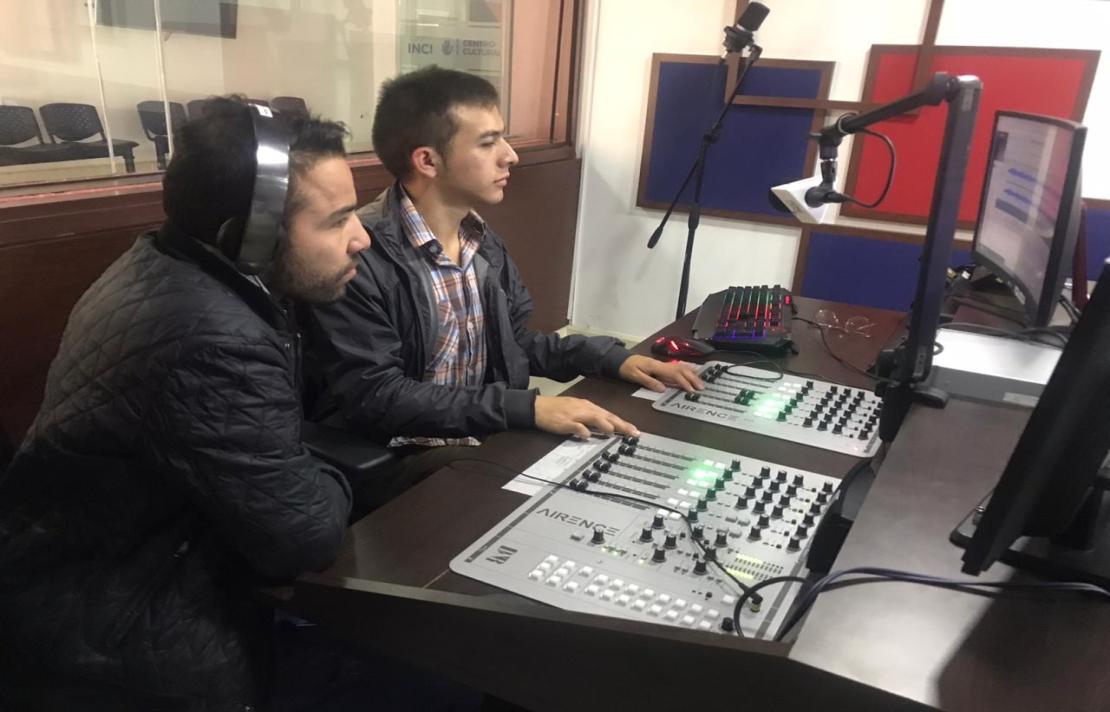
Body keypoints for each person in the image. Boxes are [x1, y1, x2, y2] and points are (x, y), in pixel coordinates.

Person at [0, 97, 369, 711]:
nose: (362, 238)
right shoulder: (213, 338)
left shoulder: (166, 262)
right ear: (248, 239)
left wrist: (292, 461)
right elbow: (306, 537)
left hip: (103, 588)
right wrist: (320, 470)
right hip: (127, 641)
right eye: (336, 221)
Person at [306, 67, 703, 491]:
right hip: (402, 454)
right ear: (427, 161)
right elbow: (378, 396)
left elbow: (514, 344)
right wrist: (526, 409)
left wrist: (612, 359)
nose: (510, 155)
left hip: (482, 433)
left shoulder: (480, 241)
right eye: (488, 142)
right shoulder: (359, 255)